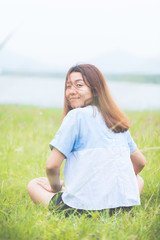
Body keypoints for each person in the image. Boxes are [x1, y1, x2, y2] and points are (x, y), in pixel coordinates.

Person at [27, 64, 146, 216]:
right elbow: (140, 162)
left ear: (95, 89)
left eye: (79, 85)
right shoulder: (116, 121)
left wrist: (55, 188)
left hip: (81, 209)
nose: (71, 91)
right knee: (138, 179)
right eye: (68, 86)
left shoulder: (76, 116)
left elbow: (51, 166)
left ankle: (69, 201)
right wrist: (111, 185)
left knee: (34, 184)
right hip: (122, 209)